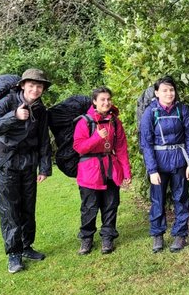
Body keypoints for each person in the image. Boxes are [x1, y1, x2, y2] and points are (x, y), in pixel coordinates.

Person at [0, 68, 52, 274]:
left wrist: (45, 167)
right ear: (23, 85)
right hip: (6, 165)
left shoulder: (41, 110)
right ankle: (13, 253)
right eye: (31, 85)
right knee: (10, 209)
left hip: (28, 165)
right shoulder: (7, 102)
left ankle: (26, 246)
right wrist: (14, 116)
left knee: (28, 208)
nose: (35, 89)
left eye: (39, 86)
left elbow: (43, 139)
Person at [139, 76, 189, 253]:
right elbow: (146, 142)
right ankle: (158, 234)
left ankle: (180, 234)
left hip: (179, 160)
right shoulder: (151, 112)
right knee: (158, 199)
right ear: (157, 93)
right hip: (159, 161)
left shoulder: (182, 110)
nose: (169, 93)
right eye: (164, 90)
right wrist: (152, 169)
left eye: (171, 90)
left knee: (181, 198)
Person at [72, 87, 132, 256]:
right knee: (89, 207)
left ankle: (108, 237)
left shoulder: (115, 122)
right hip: (89, 171)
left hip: (110, 169)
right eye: (102, 100)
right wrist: (96, 137)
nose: (106, 103)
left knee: (111, 205)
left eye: (108, 99)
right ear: (94, 102)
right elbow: (79, 147)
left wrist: (126, 172)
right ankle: (86, 238)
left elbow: (121, 148)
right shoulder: (84, 121)